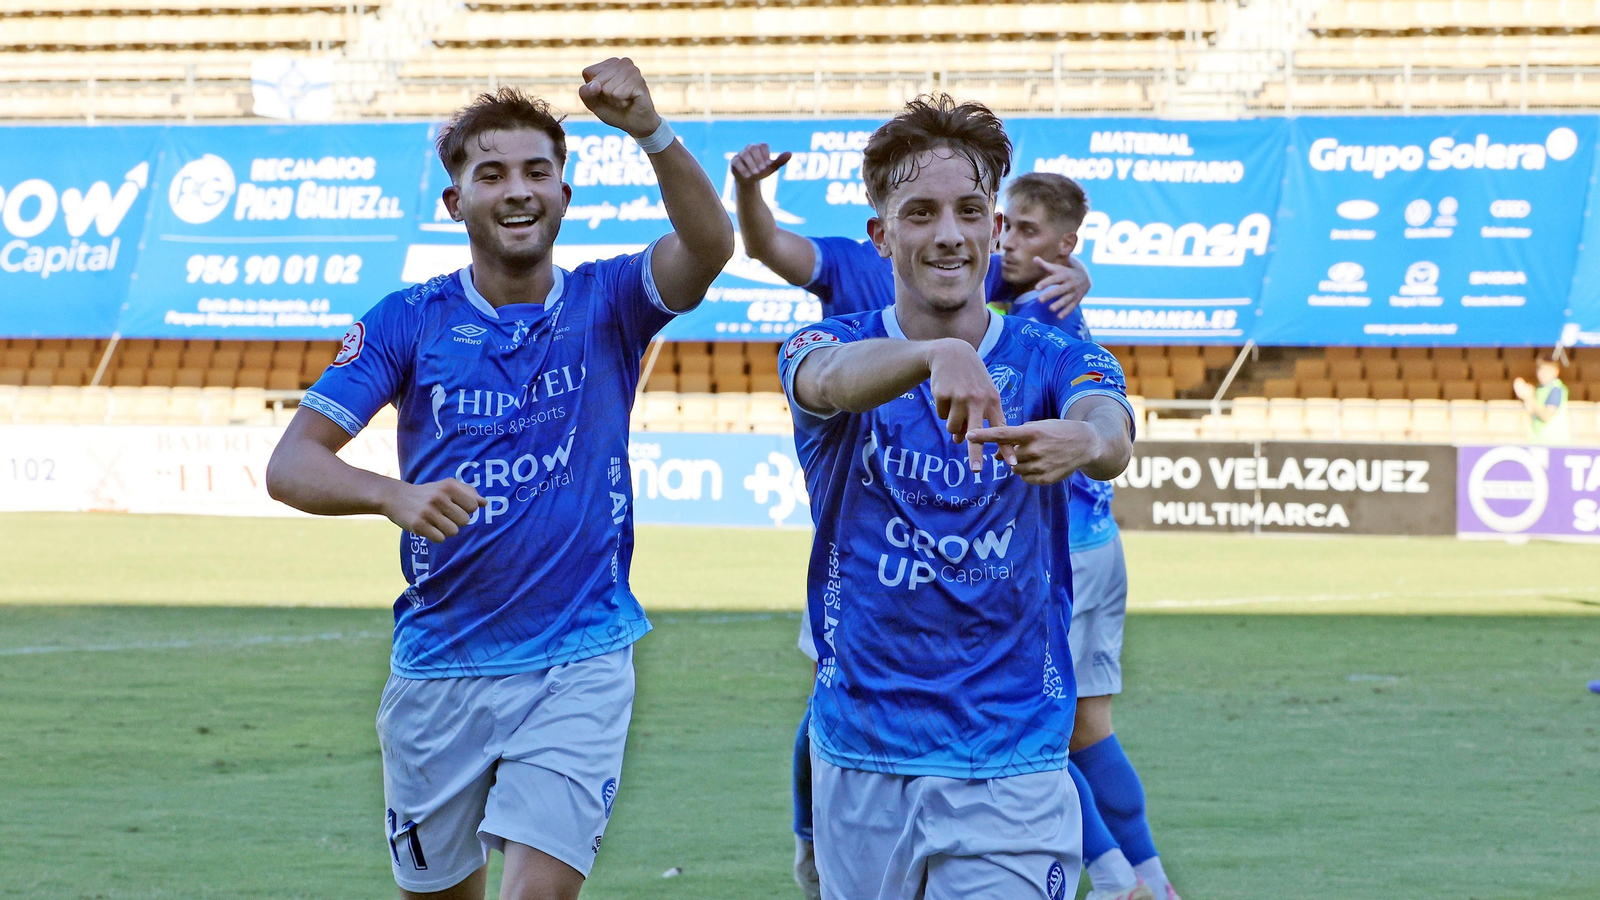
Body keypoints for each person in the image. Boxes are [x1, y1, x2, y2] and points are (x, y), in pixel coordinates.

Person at [264, 62, 733, 900]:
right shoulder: (405, 320)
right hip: (441, 665)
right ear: (456, 203)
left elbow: (709, 247)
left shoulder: (609, 300)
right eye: (491, 174)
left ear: (564, 193)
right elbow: (291, 464)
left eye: (537, 171)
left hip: (580, 656)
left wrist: (650, 130)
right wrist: (391, 496)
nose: (517, 191)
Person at [739, 153, 1176, 899]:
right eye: (921, 214)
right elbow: (830, 382)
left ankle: (1135, 876)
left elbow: (1106, 418)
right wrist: (934, 354)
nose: (949, 234)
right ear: (880, 234)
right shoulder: (819, 344)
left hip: (1011, 758)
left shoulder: (1054, 352)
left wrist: (1092, 441)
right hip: (862, 756)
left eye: (969, 211)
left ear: (994, 227)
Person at [1514, 355, 1571, 445]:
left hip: (1555, 443)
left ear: (1556, 372)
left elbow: (1546, 416)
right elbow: (1532, 410)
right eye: (1540, 370)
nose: (1542, 374)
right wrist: (1523, 393)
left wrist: (1529, 397)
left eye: (1546, 371)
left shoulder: (1556, 389)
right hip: (1538, 440)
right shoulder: (1539, 389)